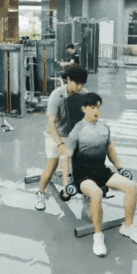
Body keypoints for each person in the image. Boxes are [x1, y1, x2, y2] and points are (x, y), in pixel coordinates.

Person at [64, 92, 137, 257]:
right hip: (82, 176)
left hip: (101, 171)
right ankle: (98, 235)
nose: (96, 111)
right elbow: (66, 157)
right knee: (96, 193)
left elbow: (110, 151)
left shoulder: (105, 128)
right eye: (93, 107)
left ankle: (128, 226)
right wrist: (66, 184)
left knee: (131, 186)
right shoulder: (77, 129)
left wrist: (120, 168)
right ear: (84, 109)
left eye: (98, 107)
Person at [35, 66, 88, 211]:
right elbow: (51, 124)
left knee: (83, 167)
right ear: (68, 80)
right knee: (52, 165)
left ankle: (87, 196)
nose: (80, 87)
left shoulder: (84, 95)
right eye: (77, 83)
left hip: (73, 135)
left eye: (82, 84)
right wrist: (59, 144)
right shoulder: (56, 95)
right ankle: (40, 193)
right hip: (55, 134)